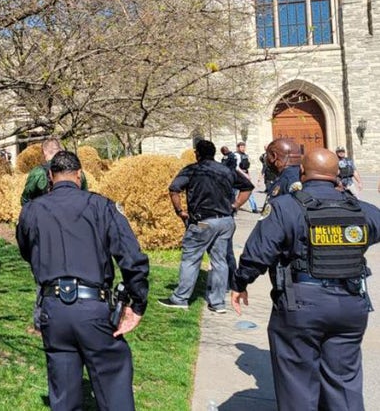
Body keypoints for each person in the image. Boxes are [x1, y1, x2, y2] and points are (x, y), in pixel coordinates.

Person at [232, 148, 380, 411]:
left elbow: (258, 251)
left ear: (302, 172)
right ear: (337, 175)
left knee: (298, 384)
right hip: (350, 305)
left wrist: (240, 283)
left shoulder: (287, 207)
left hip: (302, 304)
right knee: (344, 382)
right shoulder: (361, 209)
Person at [16, 151, 149, 411]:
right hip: (93, 309)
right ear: (79, 175)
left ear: (51, 178)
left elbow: (26, 250)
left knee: (64, 395)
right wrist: (138, 303)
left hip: (53, 309)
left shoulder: (31, 210)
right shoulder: (101, 206)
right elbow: (132, 258)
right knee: (113, 384)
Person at [159, 139, 253, 313]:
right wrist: (236, 205)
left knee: (191, 259)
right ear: (214, 153)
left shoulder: (192, 170)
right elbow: (247, 187)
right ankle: (217, 303)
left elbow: (174, 190)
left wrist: (180, 211)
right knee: (220, 261)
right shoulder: (226, 170)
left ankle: (180, 298)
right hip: (225, 221)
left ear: (197, 154)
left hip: (202, 222)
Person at [21, 138, 62, 205]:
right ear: (60, 150)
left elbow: (25, 199)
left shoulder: (38, 172)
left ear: (44, 152)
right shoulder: (75, 170)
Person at [235, 142, 259, 213]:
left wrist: (248, 175)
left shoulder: (245, 155)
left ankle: (254, 208)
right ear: (238, 147)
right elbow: (236, 167)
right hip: (237, 175)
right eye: (241, 147)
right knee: (234, 192)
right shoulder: (236, 155)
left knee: (249, 191)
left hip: (245, 174)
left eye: (244, 147)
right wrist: (244, 174)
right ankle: (233, 207)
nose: (243, 148)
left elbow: (246, 166)